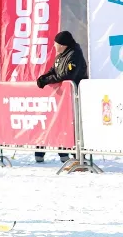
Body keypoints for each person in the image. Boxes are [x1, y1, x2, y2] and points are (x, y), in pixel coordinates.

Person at [35, 31, 88, 163]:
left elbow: (67, 75)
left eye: (56, 44)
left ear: (63, 45)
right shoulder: (60, 56)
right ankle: (59, 153)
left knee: (73, 126)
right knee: (58, 124)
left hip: (74, 98)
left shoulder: (75, 55)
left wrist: (47, 80)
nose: (54, 46)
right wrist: (43, 77)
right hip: (61, 99)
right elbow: (54, 70)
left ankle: (78, 155)